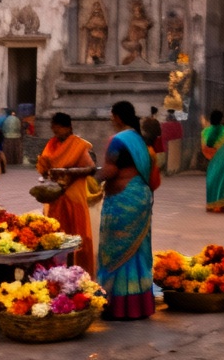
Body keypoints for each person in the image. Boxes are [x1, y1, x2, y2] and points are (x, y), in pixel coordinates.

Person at [96, 100, 160, 319]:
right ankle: (139, 304)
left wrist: (90, 177)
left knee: (115, 250)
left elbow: (111, 170)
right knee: (138, 250)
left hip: (123, 200)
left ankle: (117, 305)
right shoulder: (140, 140)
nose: (111, 121)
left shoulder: (118, 140)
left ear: (118, 117)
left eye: (112, 116)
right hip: (140, 196)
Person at [36, 112, 98, 274]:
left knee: (76, 235)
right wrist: (46, 172)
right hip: (55, 196)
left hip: (73, 196)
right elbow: (45, 165)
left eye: (58, 129)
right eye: (54, 130)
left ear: (68, 127)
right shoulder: (52, 143)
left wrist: (67, 171)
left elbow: (91, 169)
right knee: (55, 235)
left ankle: (76, 271)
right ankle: (54, 271)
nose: (56, 133)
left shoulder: (77, 145)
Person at [201, 110, 224, 212]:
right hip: (222, 158)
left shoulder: (205, 132)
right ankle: (223, 205)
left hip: (211, 161)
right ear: (221, 119)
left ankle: (211, 204)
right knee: (223, 180)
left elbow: (204, 148)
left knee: (212, 179)